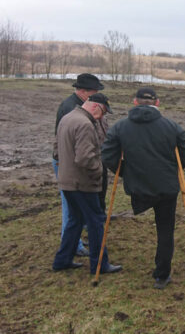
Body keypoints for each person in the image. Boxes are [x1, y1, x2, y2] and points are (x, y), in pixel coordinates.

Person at [101, 87, 185, 289]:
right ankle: (162, 275)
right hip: (167, 187)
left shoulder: (119, 127)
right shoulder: (172, 126)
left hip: (137, 186)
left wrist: (128, 172)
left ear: (135, 102)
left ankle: (161, 274)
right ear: (157, 103)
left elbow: (108, 156)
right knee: (165, 229)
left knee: (164, 228)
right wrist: (172, 170)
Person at [52, 94, 122, 275]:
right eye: (103, 112)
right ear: (95, 107)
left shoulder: (67, 118)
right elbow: (85, 158)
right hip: (82, 183)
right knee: (96, 221)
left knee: (75, 220)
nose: (101, 118)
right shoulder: (85, 124)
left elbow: (56, 150)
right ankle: (100, 264)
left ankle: (62, 260)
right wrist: (99, 171)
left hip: (66, 181)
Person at [53, 73, 107, 257]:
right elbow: (75, 150)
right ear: (83, 91)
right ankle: (74, 247)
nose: (95, 94)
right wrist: (97, 169)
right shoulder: (72, 110)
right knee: (72, 210)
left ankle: (70, 249)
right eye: (93, 92)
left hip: (70, 163)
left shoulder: (76, 108)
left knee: (75, 212)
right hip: (73, 166)